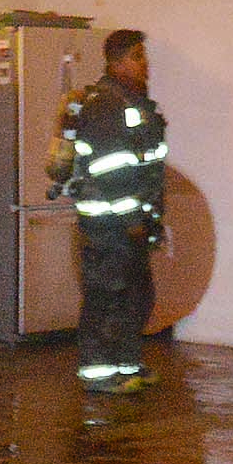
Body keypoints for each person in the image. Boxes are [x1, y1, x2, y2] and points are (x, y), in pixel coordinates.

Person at [48, 28, 168, 394]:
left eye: (144, 55)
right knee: (106, 296)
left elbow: (146, 164)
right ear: (116, 62)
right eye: (137, 56)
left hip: (133, 220)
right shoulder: (106, 104)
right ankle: (98, 373)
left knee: (137, 295)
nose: (145, 63)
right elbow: (110, 167)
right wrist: (133, 219)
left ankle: (127, 364)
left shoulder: (136, 103)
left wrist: (150, 219)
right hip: (108, 222)